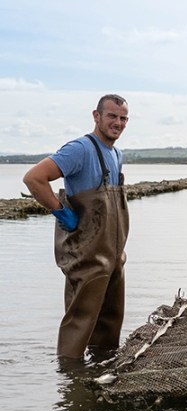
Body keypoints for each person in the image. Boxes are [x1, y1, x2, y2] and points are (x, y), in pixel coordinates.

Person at [23, 94, 130, 360]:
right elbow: (34, 178)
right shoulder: (80, 149)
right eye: (112, 116)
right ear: (96, 116)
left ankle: (102, 368)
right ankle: (70, 379)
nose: (118, 122)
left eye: (123, 118)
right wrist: (61, 212)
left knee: (110, 321)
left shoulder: (116, 154)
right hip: (87, 254)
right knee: (79, 322)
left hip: (113, 256)